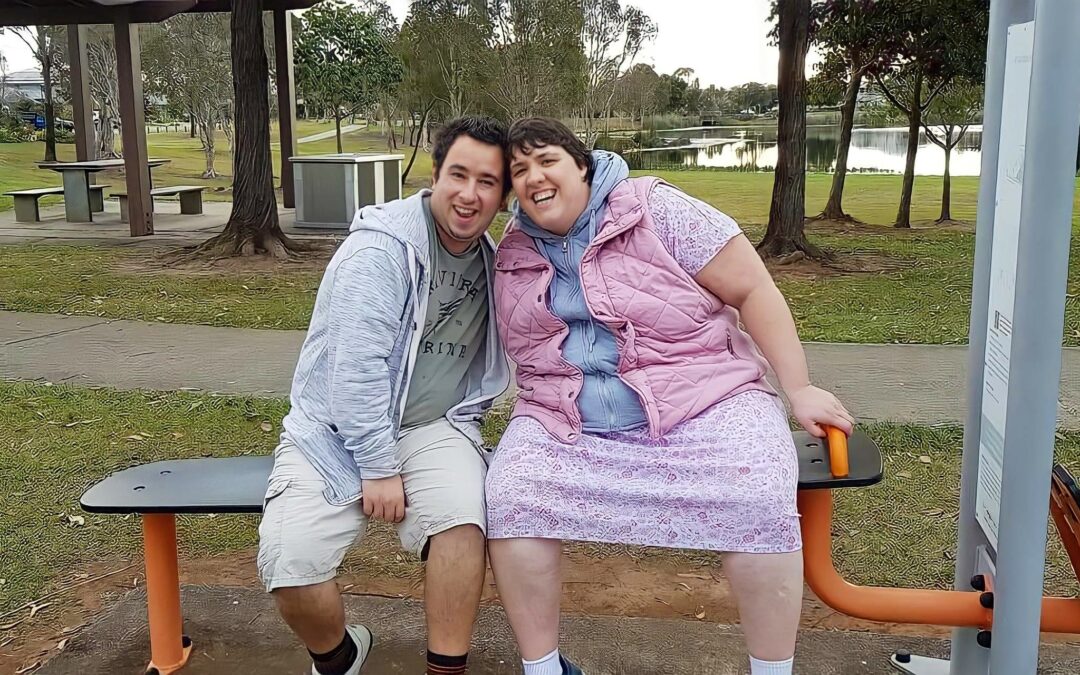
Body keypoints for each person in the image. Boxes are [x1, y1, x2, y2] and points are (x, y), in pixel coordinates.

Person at [486, 117, 855, 675]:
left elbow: (754, 288)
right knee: (513, 493)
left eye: (547, 161)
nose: (534, 178)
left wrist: (798, 387)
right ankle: (543, 669)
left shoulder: (655, 209)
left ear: (581, 164)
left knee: (757, 492)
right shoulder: (512, 250)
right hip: (569, 419)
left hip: (702, 400)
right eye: (519, 172)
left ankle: (772, 670)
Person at [257, 116, 512, 675]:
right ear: (434, 175)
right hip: (332, 431)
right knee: (291, 565)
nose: (469, 195)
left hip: (432, 427)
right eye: (458, 174)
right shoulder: (381, 250)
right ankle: (339, 656)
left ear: (503, 196)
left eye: (487, 182)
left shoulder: (497, 261)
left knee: (462, 526)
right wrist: (377, 464)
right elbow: (355, 368)